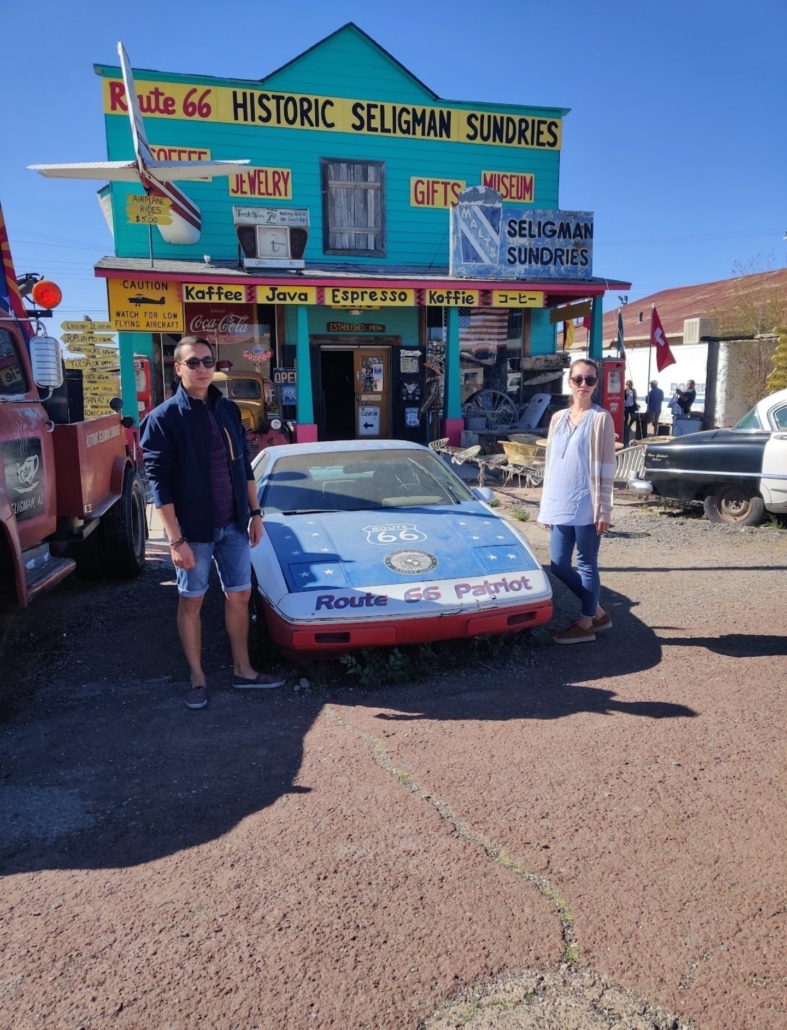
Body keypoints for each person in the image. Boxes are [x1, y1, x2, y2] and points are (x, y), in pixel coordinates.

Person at [141, 336, 285, 710]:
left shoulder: (228, 411)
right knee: (192, 600)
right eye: (194, 363)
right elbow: (159, 485)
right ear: (178, 369)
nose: (203, 368)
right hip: (194, 532)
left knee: (239, 595)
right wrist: (175, 541)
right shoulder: (162, 419)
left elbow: (243, 469)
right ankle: (198, 677)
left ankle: (243, 670)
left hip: (235, 524)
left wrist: (255, 514)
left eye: (208, 361)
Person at [538, 359, 616, 644]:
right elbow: (551, 465)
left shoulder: (600, 418)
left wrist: (604, 509)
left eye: (590, 380)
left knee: (586, 563)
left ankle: (586, 624)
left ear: (596, 384)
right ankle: (596, 611)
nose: (584, 385)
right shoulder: (558, 418)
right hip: (560, 502)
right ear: (569, 381)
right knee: (558, 564)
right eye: (578, 379)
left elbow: (607, 466)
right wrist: (546, 505)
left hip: (587, 502)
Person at [623, 379, 638, 444]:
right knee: (626, 418)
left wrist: (636, 404)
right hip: (626, 406)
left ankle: (629, 426)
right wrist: (626, 393)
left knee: (633, 417)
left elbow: (635, 398)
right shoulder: (625, 391)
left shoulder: (633, 390)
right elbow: (624, 398)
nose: (628, 385)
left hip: (632, 405)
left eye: (629, 384)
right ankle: (626, 429)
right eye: (627, 384)